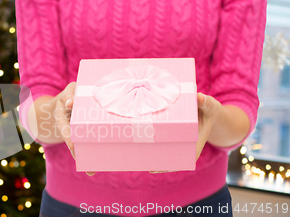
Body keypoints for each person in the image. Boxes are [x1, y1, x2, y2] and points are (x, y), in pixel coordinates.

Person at [15, 0, 266, 216]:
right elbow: (37, 97)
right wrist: (60, 111)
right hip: (74, 206)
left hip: (198, 204)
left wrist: (210, 116)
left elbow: (238, 103)